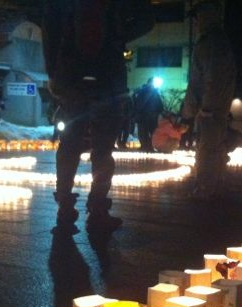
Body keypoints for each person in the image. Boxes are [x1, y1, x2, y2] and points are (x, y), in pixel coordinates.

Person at [43, 0, 152, 234]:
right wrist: (117, 34)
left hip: (70, 75)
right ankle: (98, 210)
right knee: (103, 150)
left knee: (69, 146)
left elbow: (49, 26)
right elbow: (146, 19)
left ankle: (64, 209)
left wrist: (54, 73)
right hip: (108, 77)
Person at [181, 0, 236, 200]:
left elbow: (206, 78)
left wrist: (201, 107)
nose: (195, 21)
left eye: (197, 16)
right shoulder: (220, 40)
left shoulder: (210, 43)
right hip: (216, 106)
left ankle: (205, 187)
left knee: (207, 148)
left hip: (209, 107)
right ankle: (217, 185)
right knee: (215, 146)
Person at [133, 78, 164, 151]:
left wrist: (137, 111)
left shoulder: (143, 91)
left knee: (144, 131)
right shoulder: (154, 92)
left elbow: (139, 102)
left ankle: (145, 146)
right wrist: (159, 111)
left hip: (145, 114)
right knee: (150, 131)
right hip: (150, 115)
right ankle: (149, 146)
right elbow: (159, 104)